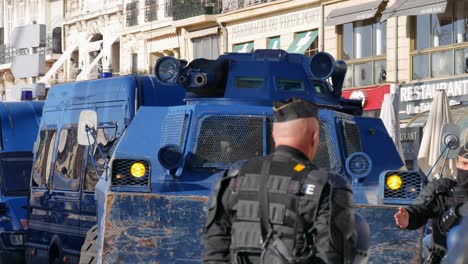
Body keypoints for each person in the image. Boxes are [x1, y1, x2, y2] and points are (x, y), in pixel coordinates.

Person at [202, 98, 356, 264]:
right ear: (315, 137)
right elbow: (333, 256)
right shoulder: (326, 185)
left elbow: (214, 251)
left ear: (274, 134)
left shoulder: (233, 177)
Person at [394, 142, 468, 263]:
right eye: (464, 163)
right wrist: (409, 217)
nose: (467, 169)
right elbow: (421, 208)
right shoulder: (442, 190)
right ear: (457, 163)